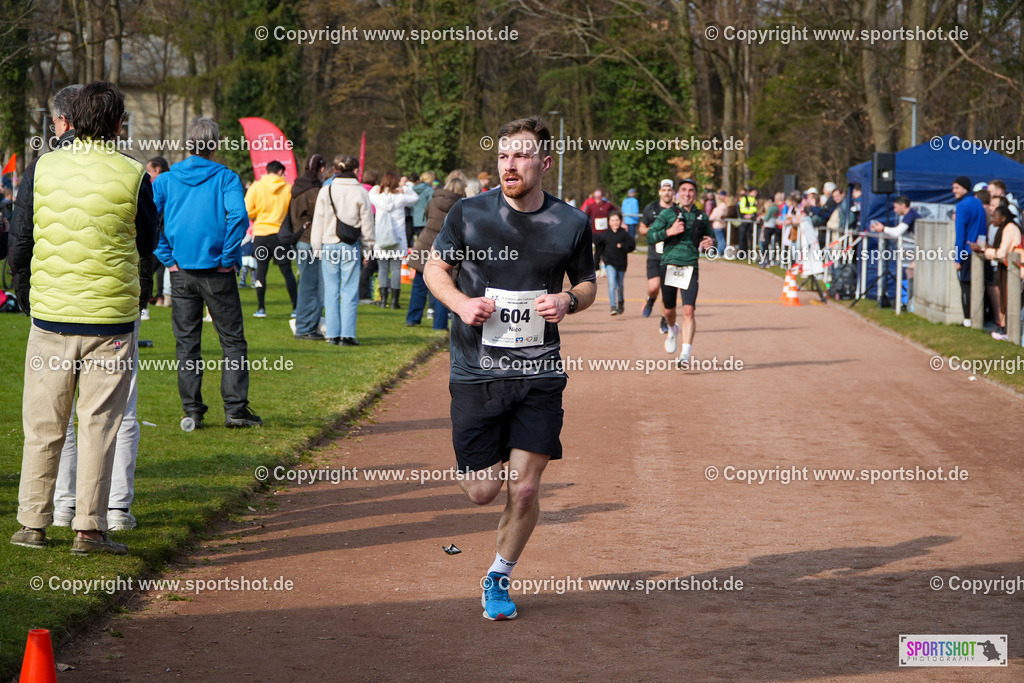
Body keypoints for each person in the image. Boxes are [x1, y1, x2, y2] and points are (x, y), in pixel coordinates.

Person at [424, 116, 596, 621]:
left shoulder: (571, 222)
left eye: (520, 156)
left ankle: (498, 575)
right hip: (477, 370)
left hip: (538, 373)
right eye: (502, 156)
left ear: (544, 163)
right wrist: (459, 304)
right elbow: (436, 267)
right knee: (483, 490)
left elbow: (587, 283)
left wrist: (568, 300)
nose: (509, 165)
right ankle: (479, 456)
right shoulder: (469, 213)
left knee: (523, 487)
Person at [9, 80, 157, 554]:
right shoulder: (134, 173)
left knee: (44, 423)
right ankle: (90, 529)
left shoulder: (42, 166)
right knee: (99, 425)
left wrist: (25, 291)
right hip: (110, 321)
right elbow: (146, 244)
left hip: (51, 317)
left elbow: (20, 239)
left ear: (70, 119)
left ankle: (33, 523)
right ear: (116, 124)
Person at [154, 116, 262, 429]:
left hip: (182, 271)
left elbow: (147, 219)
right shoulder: (226, 177)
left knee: (187, 343)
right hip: (216, 271)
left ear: (190, 144)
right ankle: (235, 409)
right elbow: (239, 216)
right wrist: (228, 256)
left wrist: (167, 257)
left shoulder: (167, 180)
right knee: (232, 342)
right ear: (213, 146)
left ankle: (192, 411)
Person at [646, 177, 714, 368]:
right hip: (669, 264)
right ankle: (671, 328)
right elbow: (650, 236)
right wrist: (669, 232)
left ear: (695, 195)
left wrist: (710, 244)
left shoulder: (702, 217)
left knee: (688, 310)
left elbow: (711, 239)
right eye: (683, 190)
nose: (687, 193)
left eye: (691, 190)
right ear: (678, 194)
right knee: (669, 310)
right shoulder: (669, 214)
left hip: (690, 266)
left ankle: (685, 354)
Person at [311, 154, 373, 346]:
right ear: (355, 170)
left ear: (336, 169)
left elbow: (318, 220)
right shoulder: (361, 192)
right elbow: (367, 224)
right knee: (349, 290)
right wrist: (368, 247)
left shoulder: (326, 190)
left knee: (330, 290)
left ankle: (332, 334)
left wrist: (316, 247)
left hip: (328, 244)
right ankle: (347, 334)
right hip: (350, 245)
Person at [406, 171, 465, 328]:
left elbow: (426, 217)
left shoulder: (434, 199)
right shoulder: (462, 206)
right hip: (445, 247)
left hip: (426, 241)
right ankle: (439, 324)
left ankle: (412, 318)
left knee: (419, 284)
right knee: (443, 286)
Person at [246, 160, 296, 318]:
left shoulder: (256, 186)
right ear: (281, 171)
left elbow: (247, 210)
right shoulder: (288, 188)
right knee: (287, 271)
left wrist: (257, 217)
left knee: (261, 271)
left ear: (267, 171)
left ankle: (261, 308)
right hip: (280, 235)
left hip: (261, 233)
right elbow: (292, 211)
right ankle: (296, 307)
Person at [290, 154, 327, 340]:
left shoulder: (297, 186)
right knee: (312, 286)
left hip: (300, 241)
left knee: (306, 284)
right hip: (311, 241)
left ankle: (305, 325)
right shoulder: (314, 191)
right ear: (321, 169)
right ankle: (305, 328)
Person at [369, 172, 419, 309]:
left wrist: (379, 187)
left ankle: (383, 299)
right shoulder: (400, 199)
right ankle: (394, 301)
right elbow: (415, 197)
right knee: (396, 269)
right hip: (397, 239)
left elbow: (370, 194)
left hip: (382, 239)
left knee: (383, 269)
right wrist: (405, 189)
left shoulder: (378, 198)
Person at [973, 205, 1021, 341]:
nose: (993, 219)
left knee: (1007, 298)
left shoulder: (1009, 228)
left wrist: (984, 251)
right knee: (1004, 297)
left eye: (995, 216)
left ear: (1003, 218)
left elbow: (1001, 253)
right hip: (1005, 267)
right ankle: (1004, 328)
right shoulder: (1004, 228)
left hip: (1010, 268)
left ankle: (1007, 331)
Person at [639, 179, 676, 333]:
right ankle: (651, 299)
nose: (666, 192)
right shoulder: (651, 208)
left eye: (669, 189)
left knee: (667, 291)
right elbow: (642, 229)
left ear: (673, 192)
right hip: (655, 254)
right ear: (659, 191)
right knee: (654, 287)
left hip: (672, 255)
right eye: (664, 189)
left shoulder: (678, 210)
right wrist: (657, 231)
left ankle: (663, 320)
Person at [952, 175, 988, 327]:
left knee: (965, 285)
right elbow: (983, 228)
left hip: (966, 251)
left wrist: (957, 258)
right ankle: (980, 318)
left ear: (964, 188)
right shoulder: (978, 203)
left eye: (956, 188)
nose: (953, 191)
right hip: (979, 250)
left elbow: (960, 234)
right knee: (979, 285)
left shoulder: (962, 206)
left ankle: (967, 320)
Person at [594, 210, 636, 315]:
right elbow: (599, 250)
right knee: (611, 283)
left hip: (621, 264)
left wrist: (623, 246)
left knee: (619, 286)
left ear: (620, 221)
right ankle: (613, 306)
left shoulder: (624, 234)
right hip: (609, 263)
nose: (615, 222)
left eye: (617, 220)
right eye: (612, 220)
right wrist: (596, 265)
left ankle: (620, 301)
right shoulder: (605, 235)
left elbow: (632, 246)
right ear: (609, 222)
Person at [146, 156, 170, 309]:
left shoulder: (159, 183)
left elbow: (154, 209)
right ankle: (160, 296)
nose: (149, 174)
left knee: (149, 266)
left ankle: (147, 299)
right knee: (161, 266)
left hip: (160, 230)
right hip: (166, 230)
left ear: (157, 169)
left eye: (150, 171)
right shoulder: (172, 181)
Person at [357, 169, 380, 304]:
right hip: (369, 229)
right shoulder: (374, 194)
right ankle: (364, 294)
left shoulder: (358, 190)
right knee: (369, 264)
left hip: (356, 229)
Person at [759, 192, 784, 267]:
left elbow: (767, 218)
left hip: (768, 227)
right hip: (774, 227)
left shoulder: (771, 208)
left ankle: (766, 260)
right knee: (773, 244)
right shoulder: (777, 207)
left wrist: (762, 218)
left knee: (765, 243)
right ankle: (771, 259)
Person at [411, 171, 435, 240]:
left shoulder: (413, 189)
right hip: (425, 219)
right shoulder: (430, 190)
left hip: (415, 219)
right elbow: (431, 205)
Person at [737, 186, 758, 254]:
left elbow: (755, 209)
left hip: (752, 221)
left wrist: (750, 210)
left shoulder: (755, 200)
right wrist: (750, 211)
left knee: (751, 236)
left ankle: (751, 252)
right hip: (745, 221)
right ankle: (742, 252)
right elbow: (742, 209)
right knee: (742, 236)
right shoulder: (744, 198)